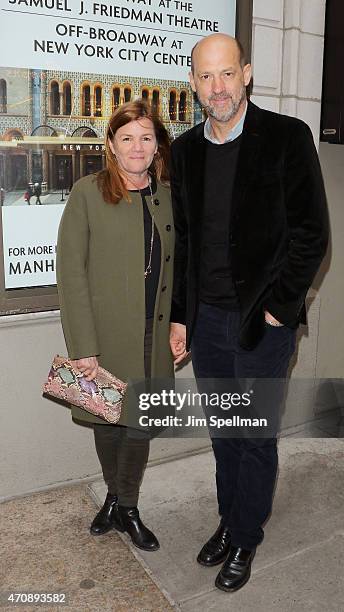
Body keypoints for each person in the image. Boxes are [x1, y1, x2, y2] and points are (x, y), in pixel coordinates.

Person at [170, 33, 329, 592]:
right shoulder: (185, 151)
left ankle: (244, 538)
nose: (218, 87)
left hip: (262, 322)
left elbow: (312, 236)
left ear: (247, 74)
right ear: (193, 83)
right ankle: (230, 519)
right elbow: (184, 243)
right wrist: (179, 317)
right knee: (223, 434)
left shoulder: (287, 138)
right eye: (206, 76)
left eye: (227, 74)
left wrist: (280, 311)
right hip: (208, 320)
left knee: (254, 434)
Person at [56, 100, 174, 551]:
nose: (137, 146)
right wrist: (83, 345)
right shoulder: (88, 191)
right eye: (127, 137)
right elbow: (71, 271)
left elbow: (178, 267)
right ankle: (118, 499)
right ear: (111, 144)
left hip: (153, 334)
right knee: (107, 421)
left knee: (139, 423)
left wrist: (180, 322)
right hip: (102, 338)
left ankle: (126, 505)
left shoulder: (167, 194)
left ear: (156, 144)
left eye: (146, 136)